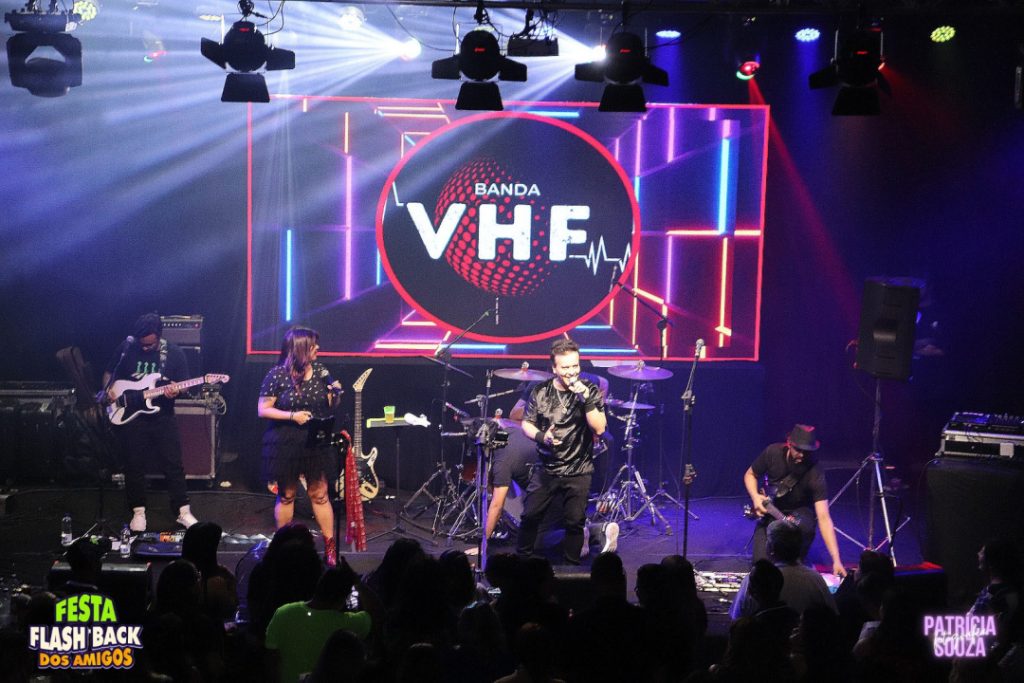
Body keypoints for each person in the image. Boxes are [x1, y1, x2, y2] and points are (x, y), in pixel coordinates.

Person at [102, 312, 197, 532]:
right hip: (131, 416)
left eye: (150, 345)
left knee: (173, 464)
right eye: (142, 344)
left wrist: (176, 391)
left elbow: (183, 385)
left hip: (163, 416)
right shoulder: (127, 348)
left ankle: (183, 511)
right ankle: (138, 511)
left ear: (159, 337)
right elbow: (109, 372)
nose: (145, 348)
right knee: (133, 465)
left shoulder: (174, 353)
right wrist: (109, 390)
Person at [517, 337, 607, 564]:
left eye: (575, 366)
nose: (571, 372)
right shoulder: (540, 391)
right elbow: (526, 423)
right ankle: (522, 562)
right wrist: (542, 436)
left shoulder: (590, 390)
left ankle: (572, 568)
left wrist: (586, 399)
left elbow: (599, 427)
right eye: (565, 367)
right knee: (530, 516)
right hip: (547, 467)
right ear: (554, 368)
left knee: (574, 522)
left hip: (579, 468)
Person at [258, 326, 343, 565]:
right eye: (313, 345)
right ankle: (282, 545)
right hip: (285, 442)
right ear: (300, 348)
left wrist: (335, 395)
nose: (318, 348)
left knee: (320, 494)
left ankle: (330, 547)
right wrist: (292, 416)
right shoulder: (277, 375)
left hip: (314, 442)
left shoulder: (321, 372)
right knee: (287, 495)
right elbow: (263, 409)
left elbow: (328, 406)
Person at [743, 423, 846, 577]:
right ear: (789, 444)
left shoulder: (815, 471)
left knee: (793, 559)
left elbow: (824, 517)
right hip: (772, 509)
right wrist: (756, 497)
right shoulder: (772, 452)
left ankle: (795, 559)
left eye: (807, 451)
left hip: (799, 512)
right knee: (761, 565)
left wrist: (836, 560)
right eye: (798, 450)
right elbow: (750, 474)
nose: (802, 455)